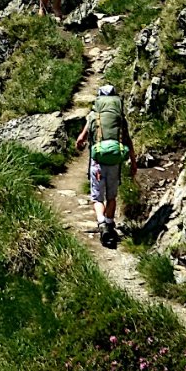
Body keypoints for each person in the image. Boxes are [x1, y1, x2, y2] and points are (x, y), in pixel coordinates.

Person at [75, 82, 136, 247]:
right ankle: (109, 223)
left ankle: (102, 224)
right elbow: (128, 141)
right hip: (115, 162)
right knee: (111, 197)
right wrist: (133, 162)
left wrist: (79, 144)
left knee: (97, 197)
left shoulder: (93, 116)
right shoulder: (119, 118)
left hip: (97, 162)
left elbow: (81, 139)